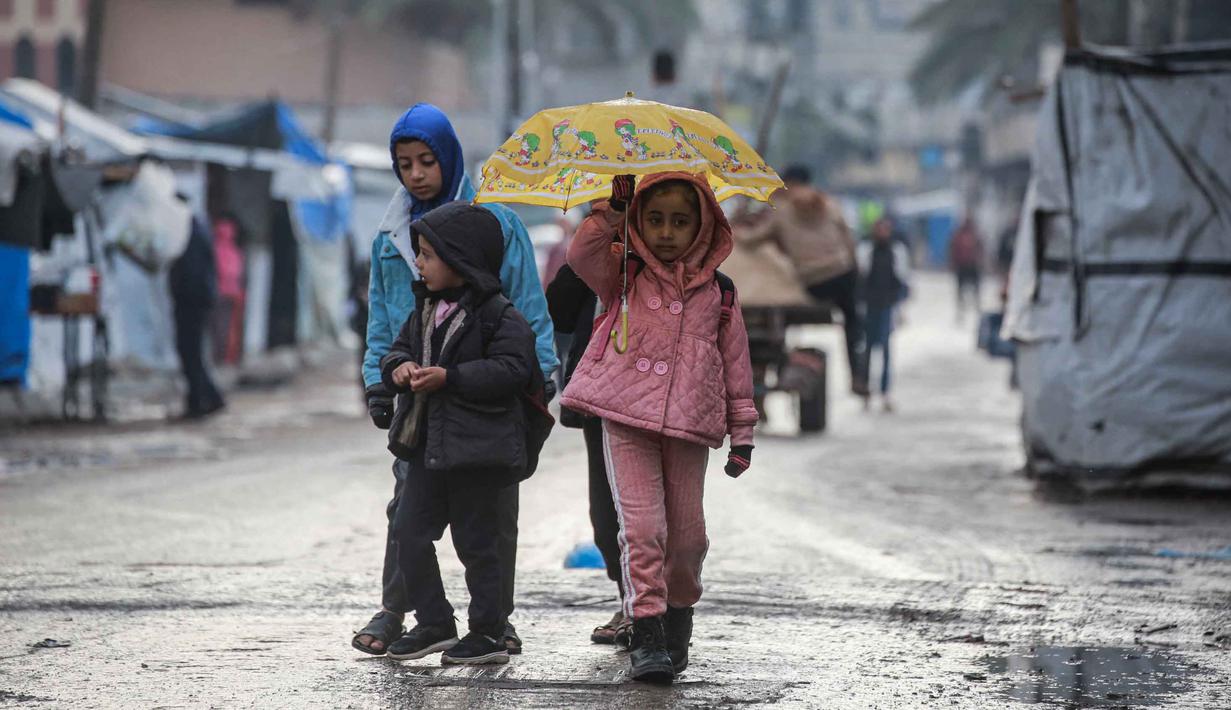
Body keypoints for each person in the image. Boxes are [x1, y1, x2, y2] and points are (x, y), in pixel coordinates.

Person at [353, 103, 558, 658]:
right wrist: (381, 377)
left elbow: (528, 308)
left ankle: (493, 622)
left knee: (489, 520)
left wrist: (539, 378)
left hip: (489, 402)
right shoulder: (389, 234)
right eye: (404, 164)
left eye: (426, 161)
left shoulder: (494, 222)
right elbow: (385, 316)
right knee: (409, 508)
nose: (416, 173)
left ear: (448, 156)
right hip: (418, 401)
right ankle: (404, 611)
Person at [561, 172, 757, 684]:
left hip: (689, 427)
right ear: (641, 222)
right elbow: (581, 254)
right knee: (643, 530)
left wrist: (743, 433)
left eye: (680, 221)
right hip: (625, 418)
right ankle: (646, 635)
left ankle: (677, 624)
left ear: (704, 226)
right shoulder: (623, 273)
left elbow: (736, 366)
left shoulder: (721, 294)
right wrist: (613, 209)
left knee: (688, 539)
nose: (667, 232)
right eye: (655, 220)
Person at [379, 201, 541, 665]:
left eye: (429, 254)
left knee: (478, 545)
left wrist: (452, 378)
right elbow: (396, 351)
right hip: (428, 445)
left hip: (479, 451)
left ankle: (488, 632)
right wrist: (400, 368)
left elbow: (513, 369)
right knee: (407, 531)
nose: (421, 264)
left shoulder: (500, 316)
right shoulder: (424, 311)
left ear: (463, 259)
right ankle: (434, 622)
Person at [545, 262, 631, 649]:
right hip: (597, 394)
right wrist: (591, 253)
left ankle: (656, 612)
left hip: (656, 397)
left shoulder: (676, 255)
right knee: (606, 513)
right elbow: (559, 312)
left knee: (651, 515)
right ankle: (629, 600)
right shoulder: (595, 255)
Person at [739, 164, 867, 394]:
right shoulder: (831, 205)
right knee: (853, 322)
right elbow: (849, 243)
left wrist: (734, 230)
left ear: (789, 183)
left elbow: (752, 241)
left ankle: (775, 369)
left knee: (781, 313)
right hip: (844, 275)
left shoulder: (782, 211)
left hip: (814, 283)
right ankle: (857, 375)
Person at [170, 207, 225, 419]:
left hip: (192, 300)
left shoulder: (188, 232)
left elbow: (192, 273)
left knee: (190, 351)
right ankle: (206, 398)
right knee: (192, 351)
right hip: (198, 298)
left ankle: (201, 401)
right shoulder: (196, 228)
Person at [858, 218, 912, 413]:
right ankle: (865, 392)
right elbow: (861, 278)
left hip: (887, 307)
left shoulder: (897, 251)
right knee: (867, 351)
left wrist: (901, 308)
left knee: (887, 352)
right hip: (869, 307)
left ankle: (885, 393)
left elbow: (903, 280)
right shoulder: (866, 250)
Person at [949, 215, 984, 322]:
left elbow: (981, 249)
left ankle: (976, 310)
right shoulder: (958, 235)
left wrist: (980, 261)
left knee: (975, 291)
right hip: (962, 265)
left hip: (973, 266)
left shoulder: (975, 234)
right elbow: (952, 249)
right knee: (961, 291)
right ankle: (961, 312)